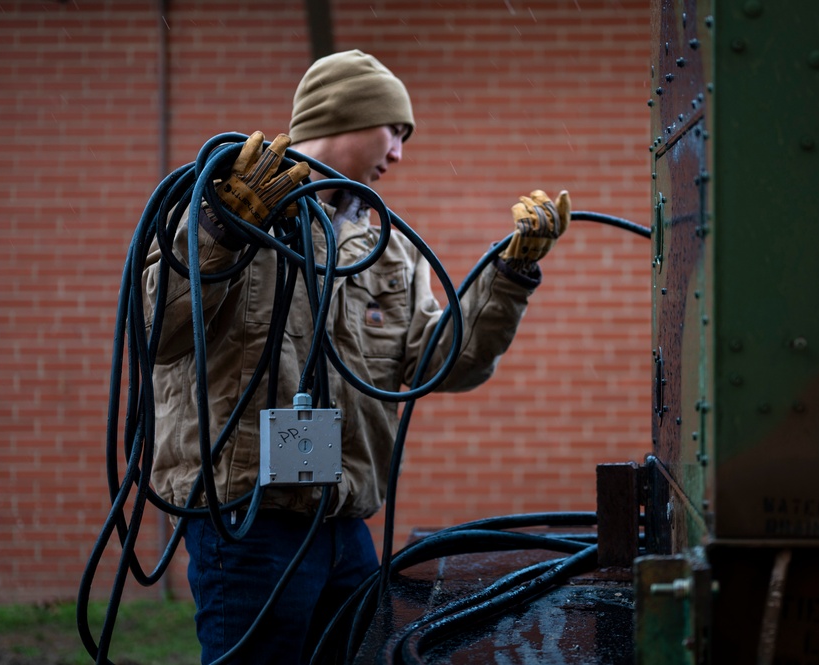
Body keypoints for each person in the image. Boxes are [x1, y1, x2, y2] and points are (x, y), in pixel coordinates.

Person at [143, 49, 571, 664]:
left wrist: (508, 275)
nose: (399, 153)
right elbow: (157, 334)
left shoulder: (389, 250)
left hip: (345, 524)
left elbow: (441, 362)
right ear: (341, 119)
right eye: (394, 130)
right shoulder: (223, 212)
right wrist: (222, 230)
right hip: (248, 525)